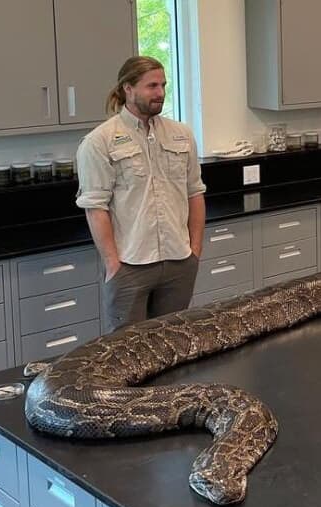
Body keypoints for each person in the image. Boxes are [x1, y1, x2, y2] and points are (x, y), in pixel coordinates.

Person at [76, 56, 206, 334]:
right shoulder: (99, 141)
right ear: (128, 89)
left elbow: (195, 192)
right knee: (128, 351)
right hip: (130, 264)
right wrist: (113, 264)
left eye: (163, 85)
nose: (160, 93)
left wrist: (195, 250)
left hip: (178, 260)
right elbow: (95, 207)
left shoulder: (181, 135)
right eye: (151, 86)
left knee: (173, 344)